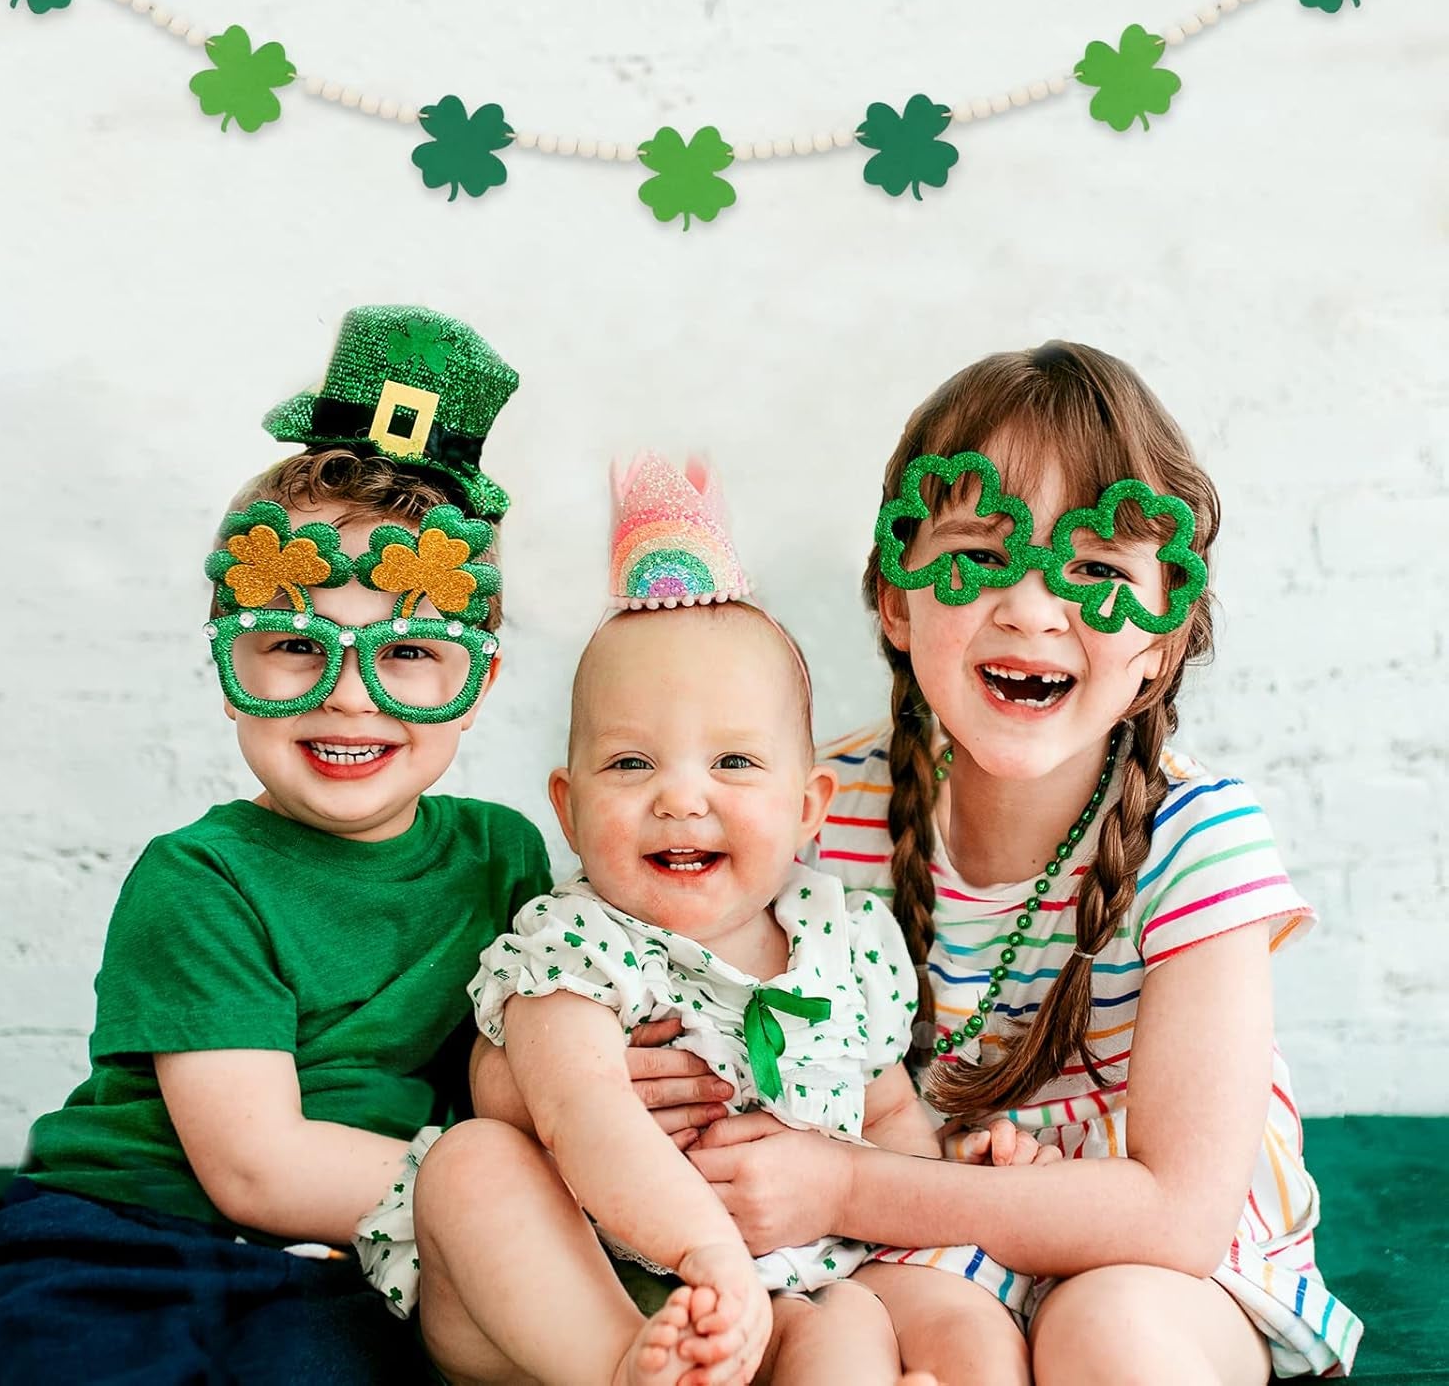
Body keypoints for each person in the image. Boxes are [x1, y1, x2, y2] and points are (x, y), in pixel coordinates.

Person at [678, 342, 1361, 1384]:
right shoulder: (816, 805)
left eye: (1095, 569)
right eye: (978, 556)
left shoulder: (1198, 840)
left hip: (1143, 1257)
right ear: (897, 604)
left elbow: (1175, 1214)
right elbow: (638, 957)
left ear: (1164, 637)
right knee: (875, 1340)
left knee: (1111, 1338)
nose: (1032, 610)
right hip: (925, 1229)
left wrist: (847, 1188)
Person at [0, 306, 551, 1383]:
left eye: (410, 648)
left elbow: (542, 1055)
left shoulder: (505, 857)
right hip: (125, 1235)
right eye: (292, 645)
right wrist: (517, 1193)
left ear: (478, 686)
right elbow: (259, 1170)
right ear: (231, 666)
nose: (352, 695)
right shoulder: (202, 878)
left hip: (355, 1260)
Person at [374, 455, 1053, 1386]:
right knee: (472, 1165)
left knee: (849, 1321)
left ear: (811, 805)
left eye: (733, 762)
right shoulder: (575, 945)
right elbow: (581, 1116)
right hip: (580, 1288)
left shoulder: (844, 943)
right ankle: (626, 1368)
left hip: (776, 1299)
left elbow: (887, 1113)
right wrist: (708, 1257)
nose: (681, 799)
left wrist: (952, 1169)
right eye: (629, 766)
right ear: (566, 810)